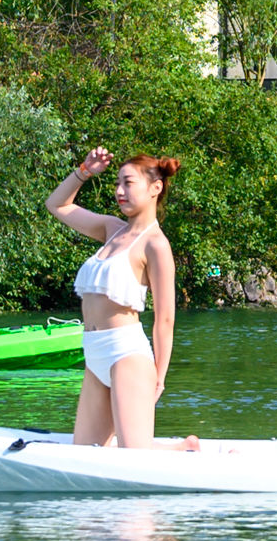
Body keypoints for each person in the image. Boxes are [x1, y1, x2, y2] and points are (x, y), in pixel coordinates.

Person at [47, 148, 181, 449]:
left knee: (133, 459)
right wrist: (84, 171)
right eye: (117, 183)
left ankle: (184, 449)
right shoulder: (111, 229)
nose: (120, 191)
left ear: (155, 188)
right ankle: (182, 447)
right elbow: (56, 205)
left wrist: (159, 377)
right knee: (85, 454)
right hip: (94, 355)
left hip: (127, 355)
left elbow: (165, 319)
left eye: (129, 183)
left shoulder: (156, 245)